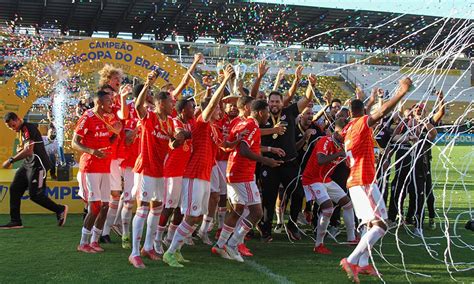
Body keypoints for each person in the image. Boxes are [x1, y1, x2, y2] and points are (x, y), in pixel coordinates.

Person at [340, 78, 412, 283]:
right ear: (363, 112)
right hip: (363, 181)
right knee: (380, 225)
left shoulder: (348, 129)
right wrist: (402, 92)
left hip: (359, 180)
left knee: (371, 224)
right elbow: (381, 113)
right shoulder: (362, 123)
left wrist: (366, 100)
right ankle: (352, 260)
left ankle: (362, 264)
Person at [162, 64, 234, 268]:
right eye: (218, 107)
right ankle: (170, 252)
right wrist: (223, 83)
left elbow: (223, 145)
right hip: (193, 175)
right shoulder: (201, 122)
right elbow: (211, 105)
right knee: (191, 215)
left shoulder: (213, 128)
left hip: (204, 175)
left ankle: (175, 250)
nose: (219, 110)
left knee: (194, 216)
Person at [128, 69, 186, 268]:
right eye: (171, 102)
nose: (173, 105)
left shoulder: (170, 122)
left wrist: (178, 140)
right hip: (146, 168)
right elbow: (137, 106)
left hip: (161, 171)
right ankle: (134, 253)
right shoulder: (150, 117)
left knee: (156, 209)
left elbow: (172, 144)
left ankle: (148, 247)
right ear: (161, 103)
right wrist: (147, 84)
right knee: (143, 209)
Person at [212, 100, 282, 262]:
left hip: (234, 171)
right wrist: (266, 161)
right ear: (260, 113)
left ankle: (220, 244)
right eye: (266, 112)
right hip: (242, 173)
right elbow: (244, 150)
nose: (268, 116)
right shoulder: (250, 125)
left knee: (237, 209)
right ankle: (232, 244)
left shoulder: (242, 124)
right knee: (256, 212)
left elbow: (231, 145)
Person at [258, 72, 316, 242]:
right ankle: (266, 230)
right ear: (268, 103)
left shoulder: (289, 112)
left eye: (277, 101)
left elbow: (305, 99)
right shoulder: (262, 117)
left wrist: (311, 84)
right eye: (272, 101)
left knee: (298, 194)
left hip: (290, 163)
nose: (274, 104)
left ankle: (291, 225)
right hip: (270, 164)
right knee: (268, 199)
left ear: (282, 102)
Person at [72, 90, 122, 253]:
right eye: (109, 101)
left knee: (105, 206)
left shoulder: (109, 118)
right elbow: (75, 143)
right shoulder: (87, 117)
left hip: (105, 167)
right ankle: (83, 243)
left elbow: (110, 141)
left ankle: (94, 241)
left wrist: (116, 133)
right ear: (99, 103)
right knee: (95, 206)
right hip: (91, 166)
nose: (112, 104)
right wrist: (93, 151)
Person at [1, 112, 67, 229]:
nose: (12, 129)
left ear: (18, 119)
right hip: (28, 164)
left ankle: (60, 209)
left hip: (38, 165)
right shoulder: (21, 130)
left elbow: (29, 151)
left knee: (35, 195)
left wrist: (11, 160)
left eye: (13, 125)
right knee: (14, 188)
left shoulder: (27, 128)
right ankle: (15, 221)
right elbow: (26, 149)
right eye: (10, 127)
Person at [302, 118, 356, 255]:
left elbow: (347, 163)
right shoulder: (325, 140)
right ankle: (318, 244)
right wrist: (339, 154)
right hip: (312, 179)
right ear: (337, 132)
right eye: (344, 133)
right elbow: (320, 160)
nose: (346, 136)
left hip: (326, 180)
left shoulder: (342, 144)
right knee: (328, 208)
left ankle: (352, 238)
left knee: (348, 204)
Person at [156, 97, 195, 253]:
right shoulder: (175, 121)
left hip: (185, 171)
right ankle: (157, 239)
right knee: (168, 206)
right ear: (183, 110)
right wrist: (182, 136)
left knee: (180, 208)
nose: (194, 109)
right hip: (172, 170)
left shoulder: (190, 122)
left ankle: (170, 237)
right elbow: (178, 136)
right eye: (191, 107)